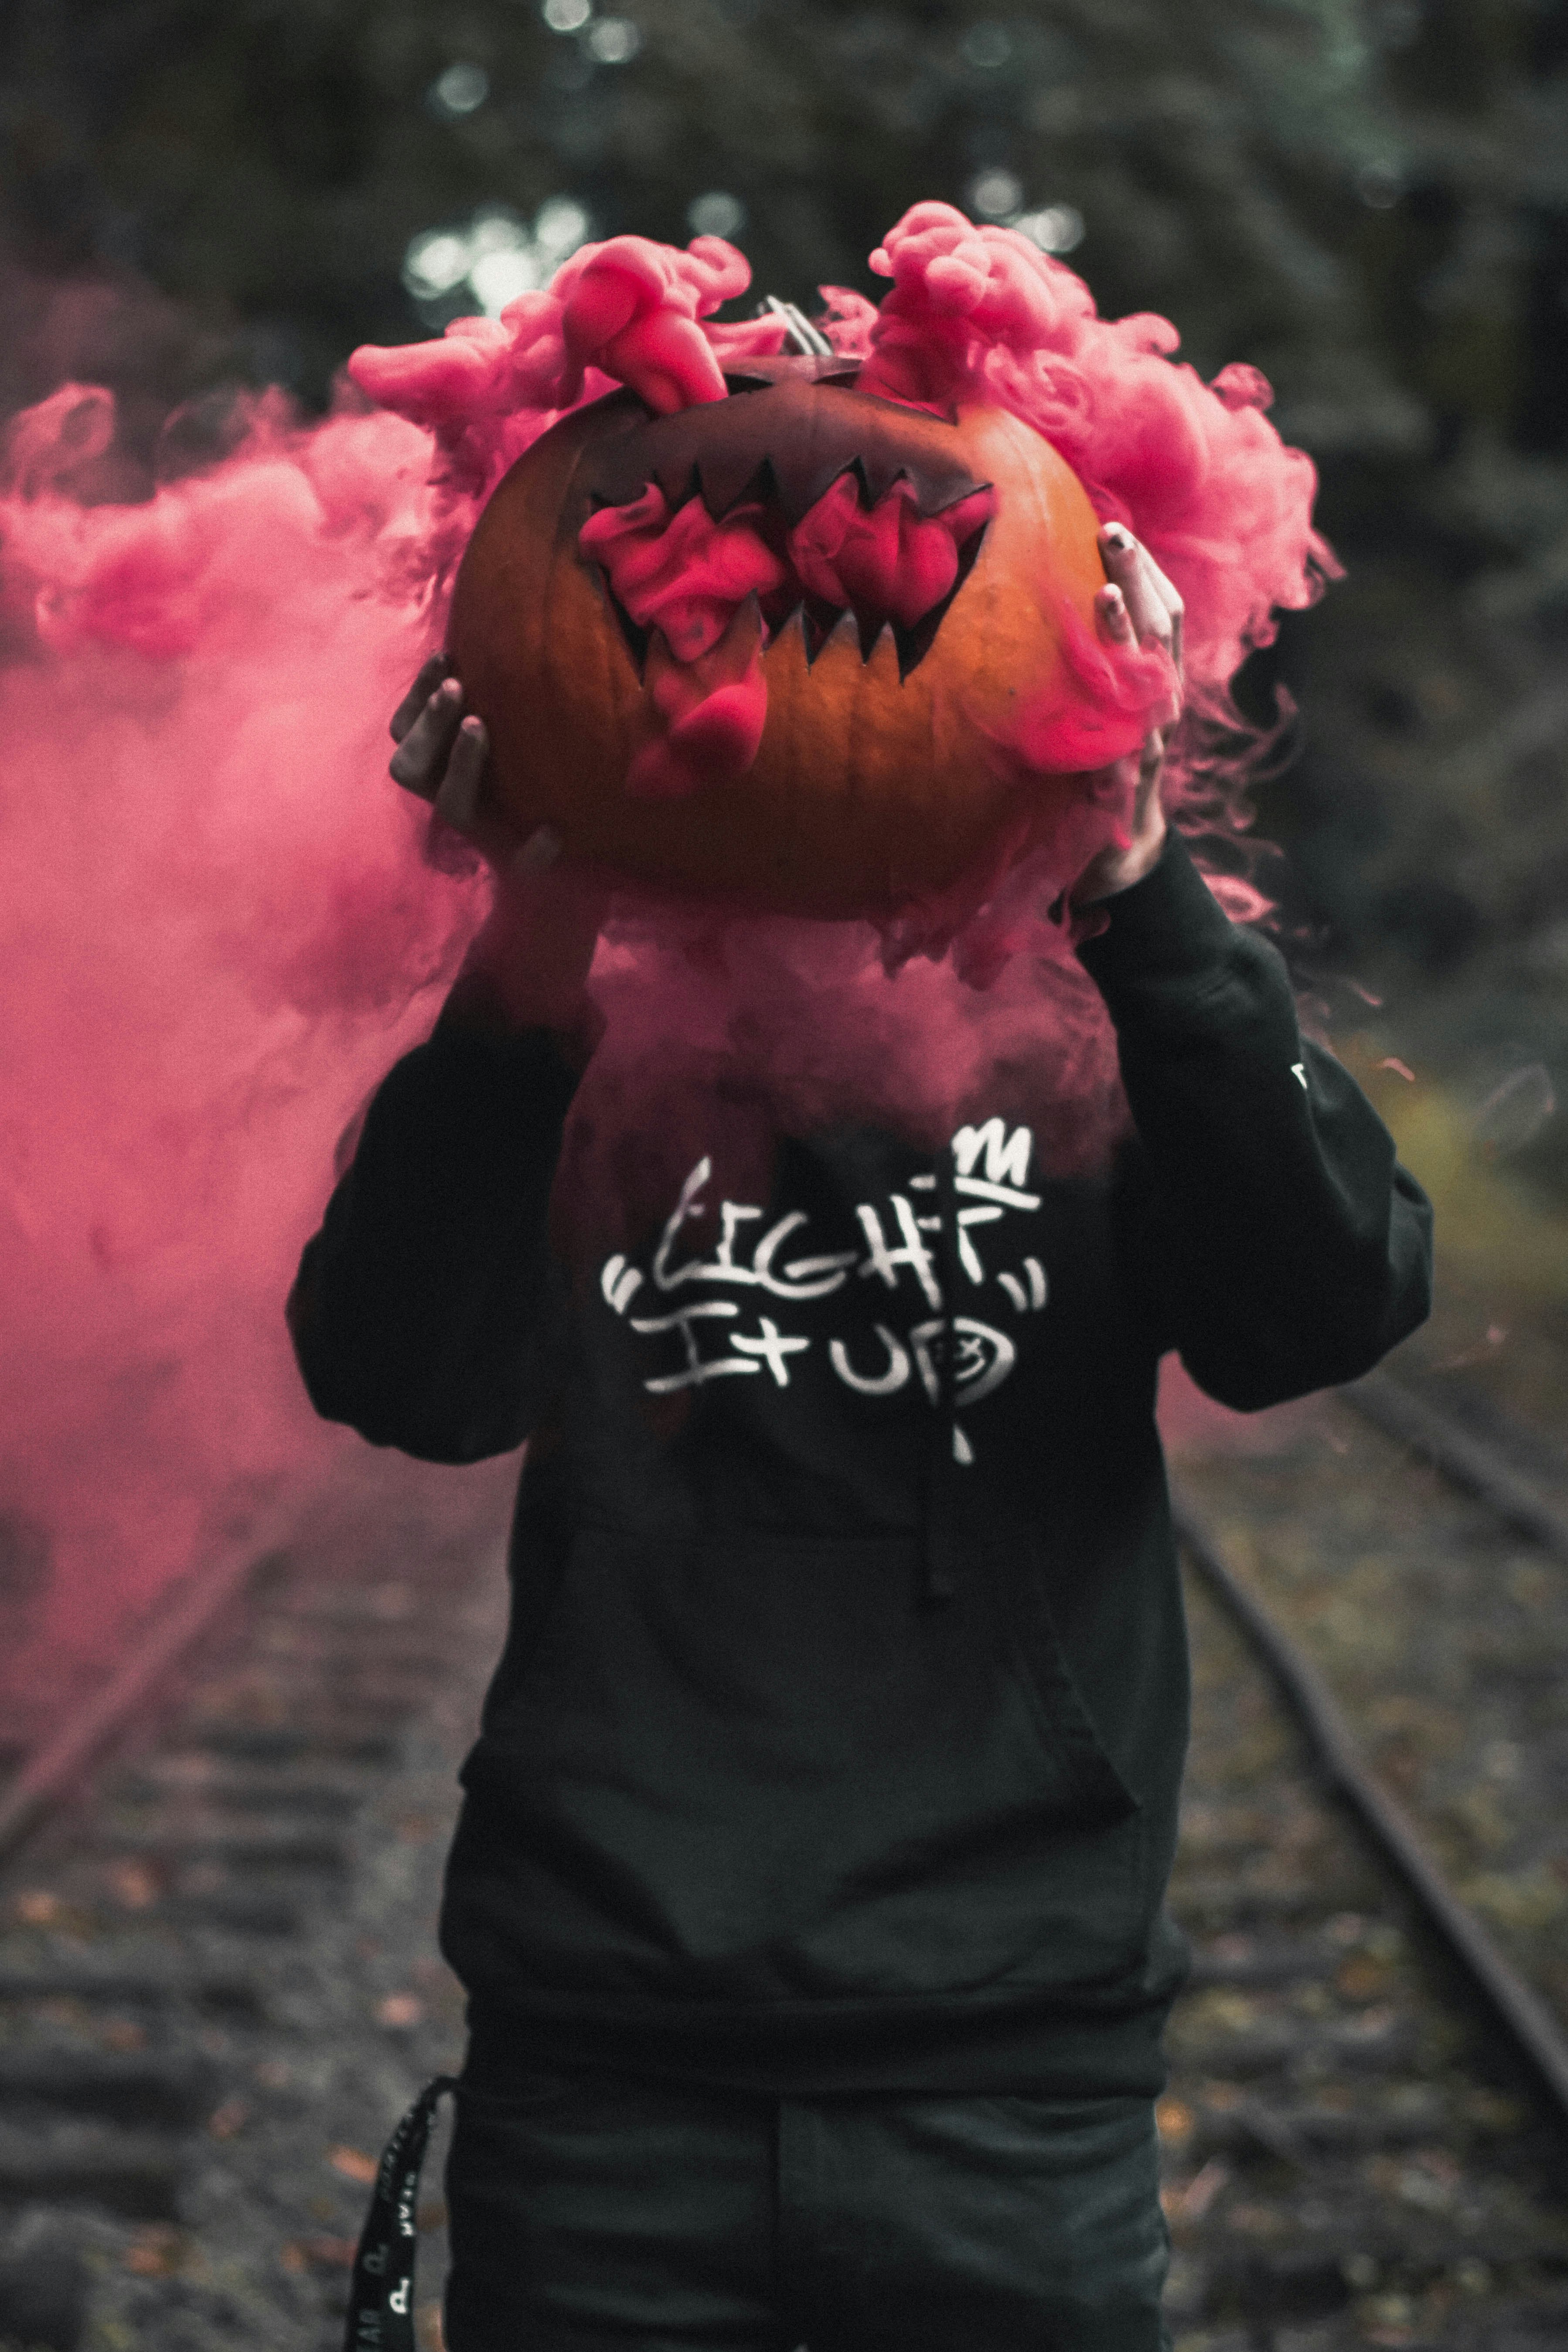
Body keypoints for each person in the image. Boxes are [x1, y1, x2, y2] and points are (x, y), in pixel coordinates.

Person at [288, 526, 1433, 2352]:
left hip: (1010, 2081)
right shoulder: (573, 1037)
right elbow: (404, 1377)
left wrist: (1134, 879)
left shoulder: (1098, 1020)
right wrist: (532, 932)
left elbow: (1317, 1309)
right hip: (604, 2071)